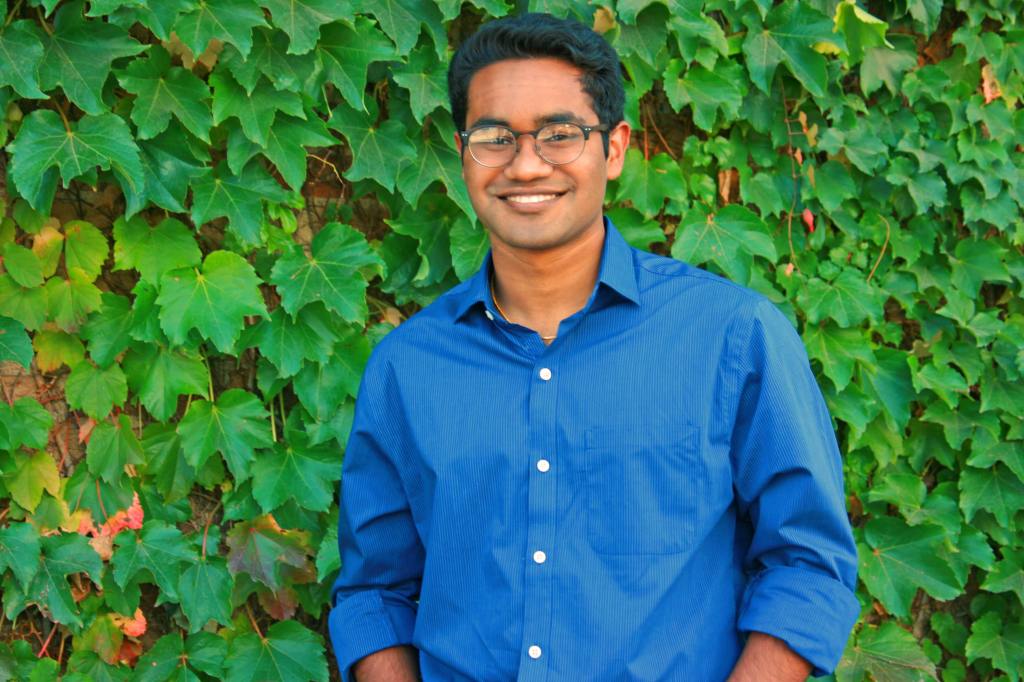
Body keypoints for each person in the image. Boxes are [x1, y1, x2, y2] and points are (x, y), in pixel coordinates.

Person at [328, 12, 859, 681]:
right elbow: (374, 594)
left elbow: (808, 564)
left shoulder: (733, 336)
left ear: (614, 148)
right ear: (463, 153)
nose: (526, 165)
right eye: (494, 138)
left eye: (559, 135)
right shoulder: (406, 368)